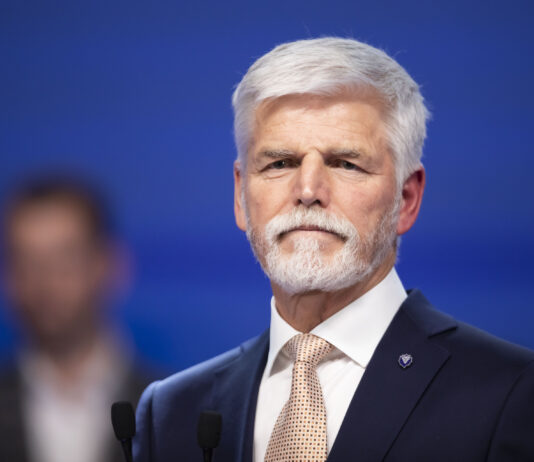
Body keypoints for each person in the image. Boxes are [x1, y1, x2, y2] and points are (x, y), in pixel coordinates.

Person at [134, 37, 534, 461]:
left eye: (346, 163)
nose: (308, 190)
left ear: (406, 199)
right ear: (240, 196)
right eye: (280, 163)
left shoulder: (512, 393)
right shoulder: (172, 413)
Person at [0, 176, 152, 462]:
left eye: (64, 258)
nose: (44, 282)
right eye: (26, 262)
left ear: (110, 265)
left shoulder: (175, 410)